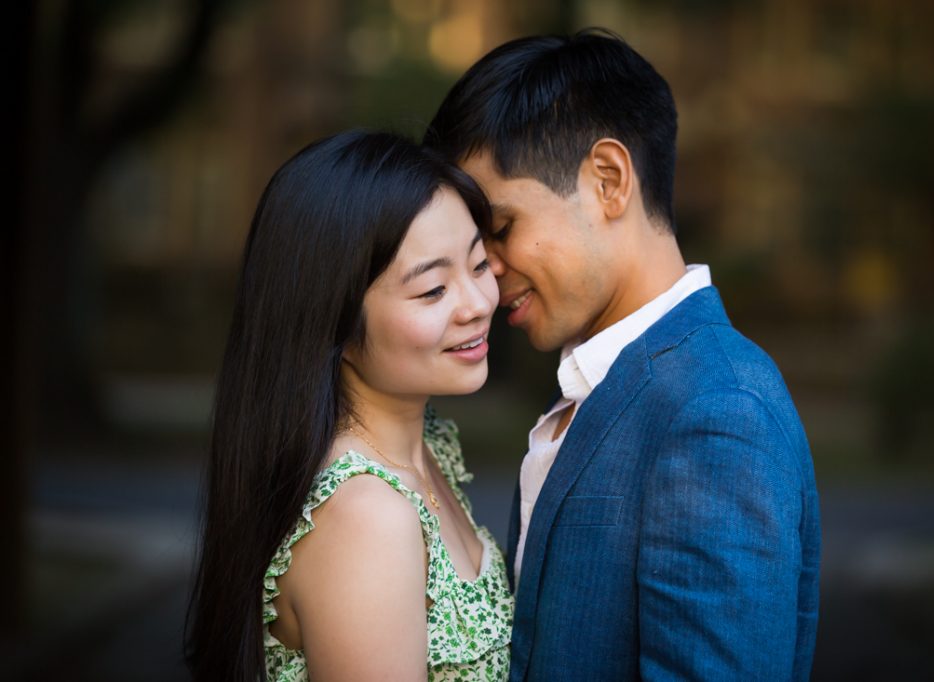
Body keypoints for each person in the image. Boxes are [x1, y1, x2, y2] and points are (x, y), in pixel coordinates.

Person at [425, 30, 821, 680]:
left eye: (501, 229)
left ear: (608, 181)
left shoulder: (718, 412)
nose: (487, 274)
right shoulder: (607, 382)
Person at [185, 131, 514, 681]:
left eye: (479, 265)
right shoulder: (365, 517)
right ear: (333, 321)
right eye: (433, 290)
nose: (479, 304)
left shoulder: (429, 444)